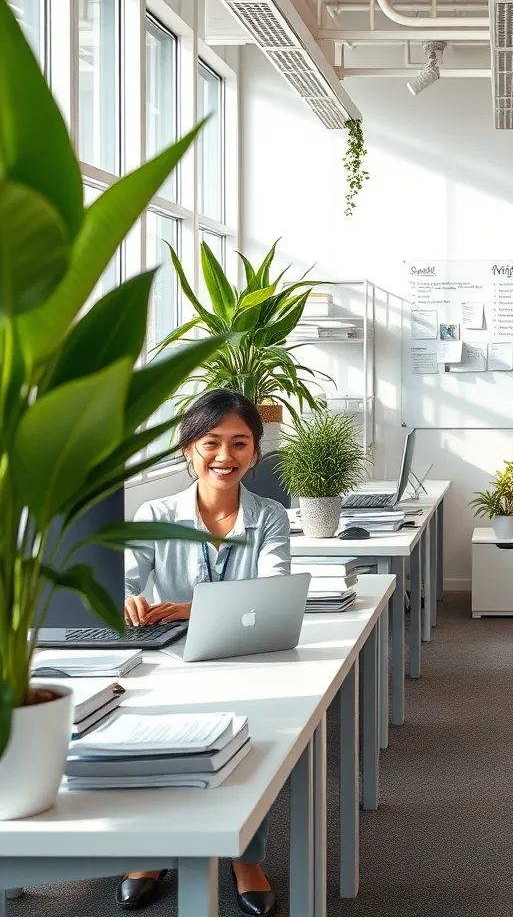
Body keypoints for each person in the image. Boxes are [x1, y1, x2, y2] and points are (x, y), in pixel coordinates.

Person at [119, 389, 289, 916]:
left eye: (240, 444)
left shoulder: (269, 517)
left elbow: (275, 592)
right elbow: (123, 581)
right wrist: (127, 596)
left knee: (249, 739)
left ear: (256, 454)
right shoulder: (155, 511)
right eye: (211, 442)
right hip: (163, 660)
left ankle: (245, 856)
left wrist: (193, 610)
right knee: (150, 735)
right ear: (188, 449)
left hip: (239, 659)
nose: (225, 456)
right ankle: (152, 850)